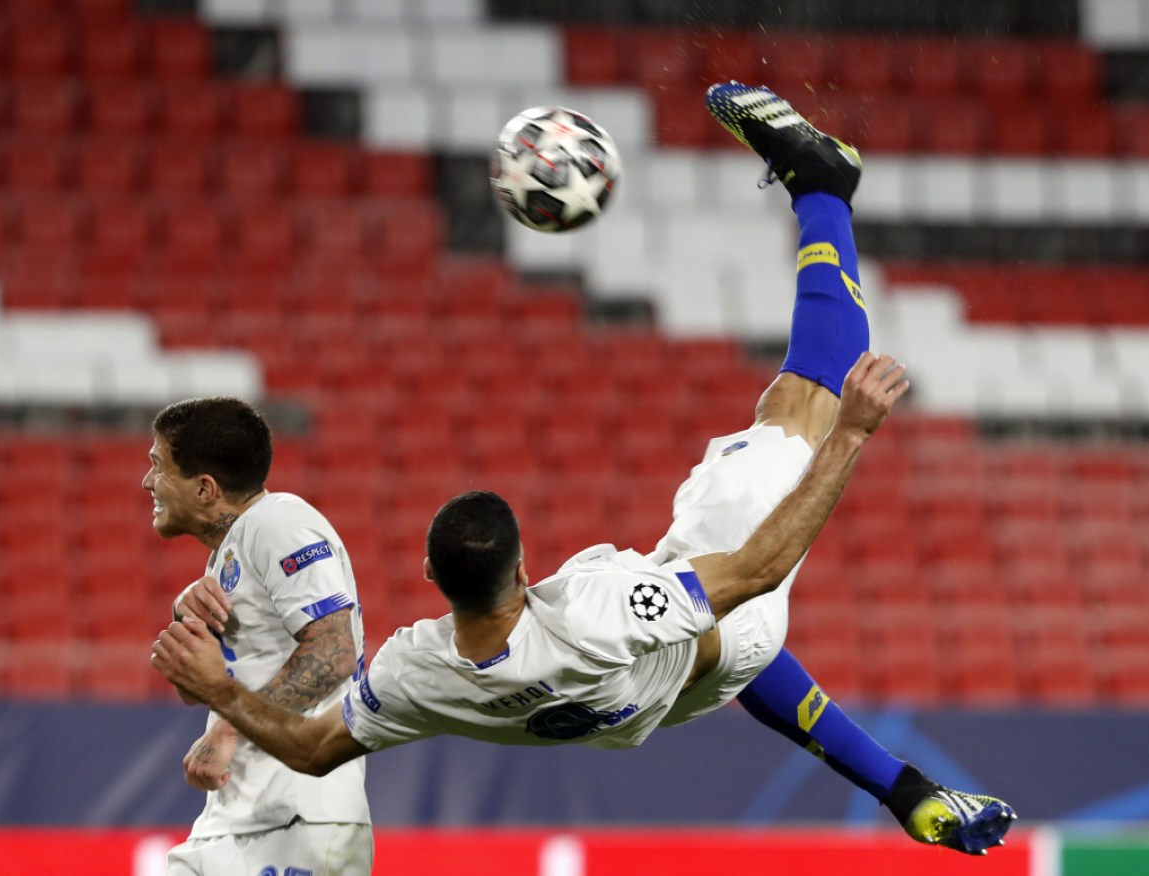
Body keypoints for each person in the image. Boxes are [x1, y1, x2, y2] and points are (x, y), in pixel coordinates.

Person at [151, 84, 1016, 857]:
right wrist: (852, 438)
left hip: (659, 704)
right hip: (699, 637)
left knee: (723, 648)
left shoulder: (416, 673)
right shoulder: (595, 612)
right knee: (805, 404)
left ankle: (904, 790)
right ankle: (824, 187)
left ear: (429, 579)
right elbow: (754, 573)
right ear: (527, 571)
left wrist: (223, 696)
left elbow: (308, 747)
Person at [142, 396, 372, 875]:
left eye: (158, 466)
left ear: (205, 488)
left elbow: (334, 651)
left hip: (297, 819)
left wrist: (228, 727)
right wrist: (191, 632)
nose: (148, 482)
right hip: (238, 821)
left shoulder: (280, 522)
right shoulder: (230, 554)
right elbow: (199, 687)